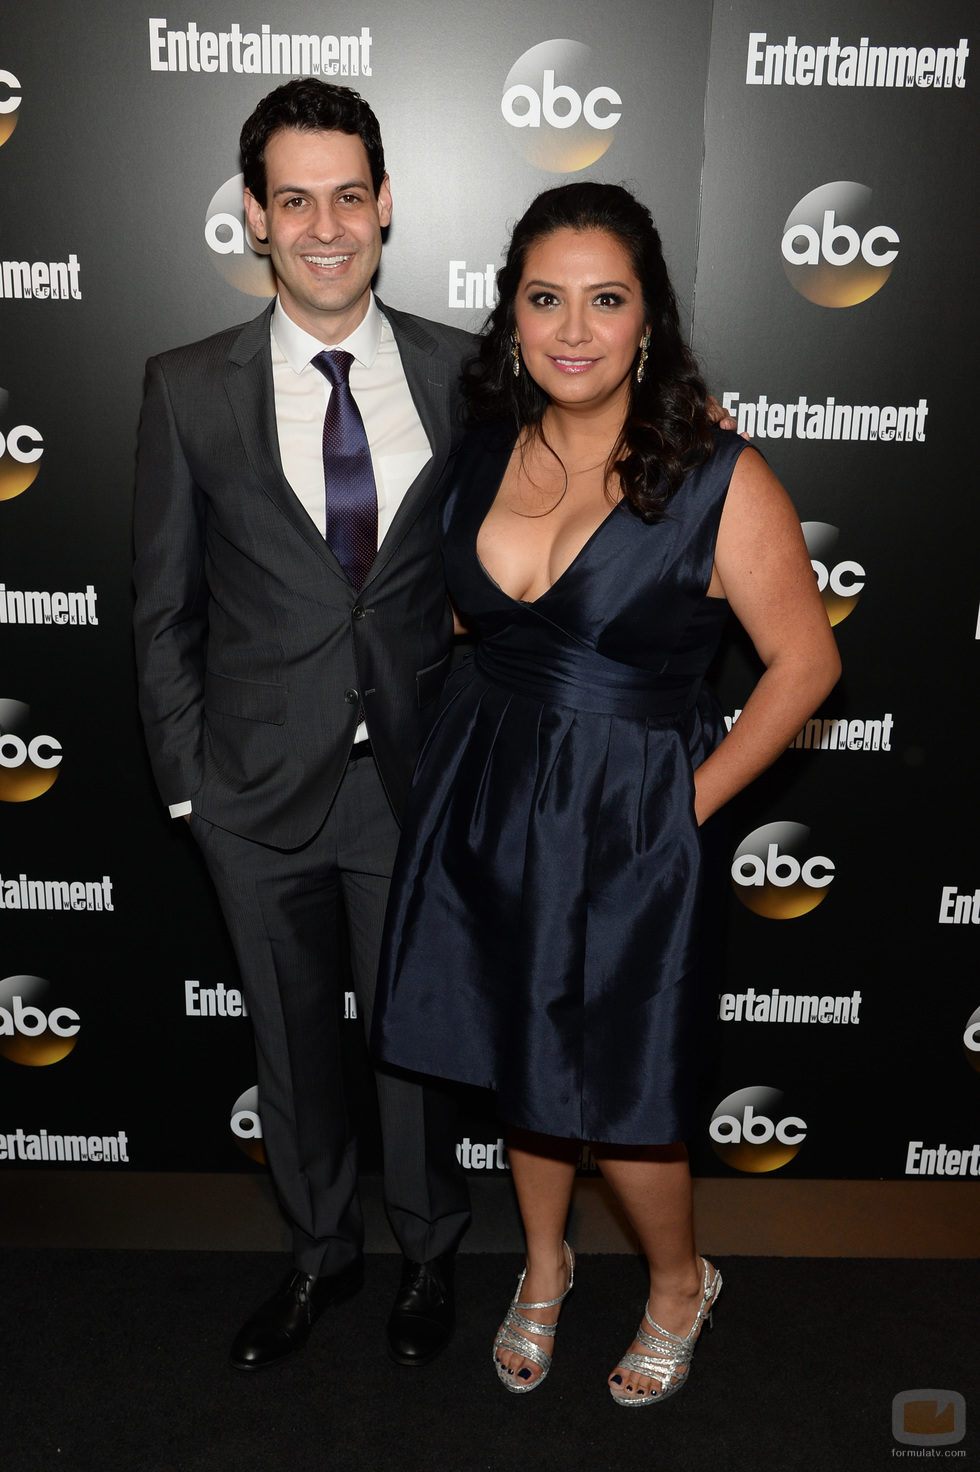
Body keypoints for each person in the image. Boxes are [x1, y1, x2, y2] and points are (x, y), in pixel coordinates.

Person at [372, 182, 841, 1405]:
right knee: (518, 1058)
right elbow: (476, 623)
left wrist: (681, 805)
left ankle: (679, 1280)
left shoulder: (714, 475)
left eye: (605, 298)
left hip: (629, 820)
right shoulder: (483, 450)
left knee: (628, 1098)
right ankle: (541, 1266)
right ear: (511, 316)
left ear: (649, 320)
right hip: (489, 795)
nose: (572, 327)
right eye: (544, 298)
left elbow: (806, 664)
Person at [132, 79, 474, 1372]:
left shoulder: (460, 372)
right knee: (290, 1043)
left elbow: (566, 489)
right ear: (255, 222)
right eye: (295, 201)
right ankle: (320, 1255)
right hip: (252, 791)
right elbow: (158, 607)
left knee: (414, 1041)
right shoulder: (184, 390)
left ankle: (429, 1254)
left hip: (411, 781)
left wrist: (696, 441)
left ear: (386, 208)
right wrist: (187, 791)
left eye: (349, 197)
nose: (325, 226)